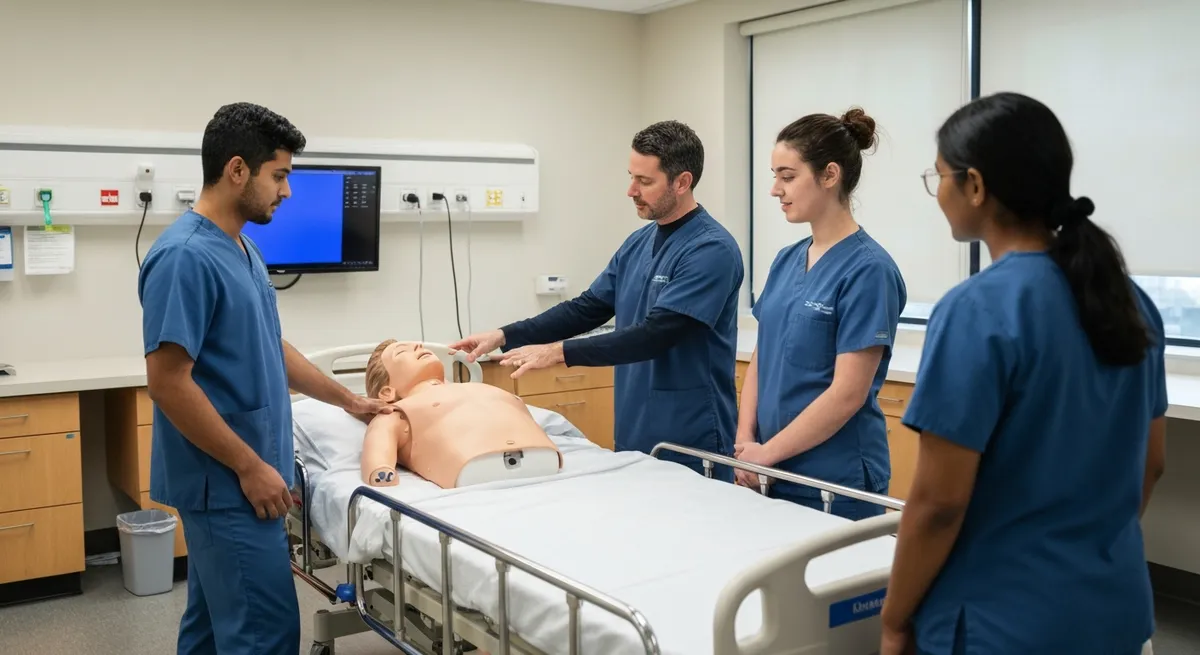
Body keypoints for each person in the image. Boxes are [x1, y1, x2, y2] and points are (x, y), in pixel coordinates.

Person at [878, 92, 1168, 655]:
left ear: (976, 186)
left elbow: (939, 505)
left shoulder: (977, 311)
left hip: (1003, 621)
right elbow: (1151, 465)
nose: (936, 192)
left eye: (938, 177)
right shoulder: (1130, 302)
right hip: (1113, 609)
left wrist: (894, 620)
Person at [139, 102, 392, 655]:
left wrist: (347, 399)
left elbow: (270, 346)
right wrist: (251, 466)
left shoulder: (242, 248)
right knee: (263, 633)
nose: (287, 190)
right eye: (278, 175)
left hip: (241, 476)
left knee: (211, 626)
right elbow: (168, 383)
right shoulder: (185, 257)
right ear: (237, 171)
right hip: (228, 482)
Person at [449, 120, 744, 479]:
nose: (630, 190)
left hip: (690, 434)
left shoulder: (711, 249)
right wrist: (505, 334)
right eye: (631, 177)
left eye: (644, 181)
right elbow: (588, 308)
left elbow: (658, 333)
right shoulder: (639, 242)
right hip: (635, 427)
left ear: (682, 182)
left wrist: (558, 352)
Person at [732, 108, 906, 520]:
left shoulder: (869, 270)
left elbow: (848, 394)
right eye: (774, 175)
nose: (775, 189)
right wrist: (745, 443)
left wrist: (765, 455)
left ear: (830, 175)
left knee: (840, 586)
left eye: (788, 176)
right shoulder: (786, 259)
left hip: (833, 480)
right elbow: (764, 354)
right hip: (766, 470)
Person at [358, 339, 562, 488]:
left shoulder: (474, 388)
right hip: (475, 467)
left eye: (418, 345)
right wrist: (380, 468)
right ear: (387, 392)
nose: (419, 347)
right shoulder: (398, 412)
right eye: (402, 352)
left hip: (542, 455)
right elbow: (379, 440)